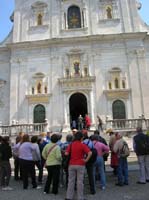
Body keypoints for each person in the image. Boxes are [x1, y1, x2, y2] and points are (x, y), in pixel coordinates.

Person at [65, 131, 92, 200]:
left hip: (71, 164)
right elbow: (90, 153)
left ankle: (69, 197)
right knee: (80, 182)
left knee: (71, 181)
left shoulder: (71, 144)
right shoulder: (82, 145)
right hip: (80, 164)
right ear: (81, 137)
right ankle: (80, 197)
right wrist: (86, 160)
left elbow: (66, 154)